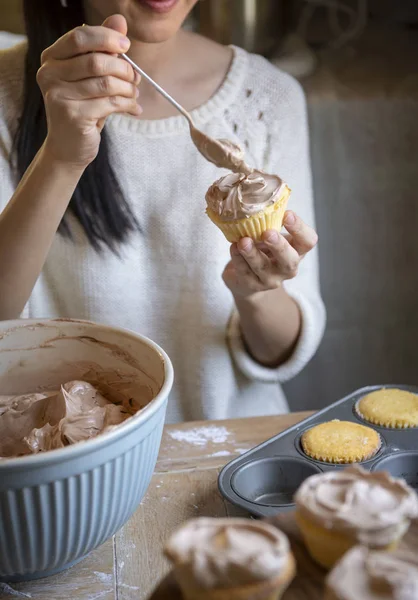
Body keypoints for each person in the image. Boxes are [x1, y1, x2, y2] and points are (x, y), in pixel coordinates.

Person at [0, 0, 326, 422]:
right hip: (72, 458)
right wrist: (61, 158)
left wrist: (258, 292)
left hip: (229, 450)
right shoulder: (8, 94)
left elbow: (282, 350)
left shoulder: (267, 97)